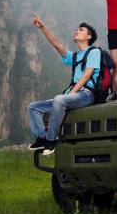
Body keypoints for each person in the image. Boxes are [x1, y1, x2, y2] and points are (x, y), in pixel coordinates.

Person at [27, 13, 101, 155]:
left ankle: (51, 140)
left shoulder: (94, 51)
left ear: (88, 37)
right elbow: (56, 45)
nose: (77, 31)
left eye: (81, 30)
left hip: (86, 95)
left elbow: (87, 75)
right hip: (71, 96)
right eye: (77, 29)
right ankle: (42, 137)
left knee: (59, 100)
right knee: (33, 107)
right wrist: (42, 27)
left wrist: (71, 94)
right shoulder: (75, 56)